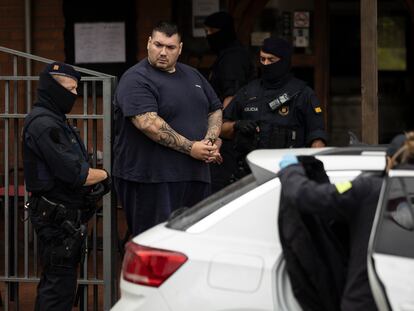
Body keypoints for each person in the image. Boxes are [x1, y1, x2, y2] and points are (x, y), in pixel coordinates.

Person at [277, 132, 414, 311]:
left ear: (389, 161)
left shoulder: (371, 190)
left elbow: (307, 196)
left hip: (366, 301)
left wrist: (291, 170)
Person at [112, 21, 223, 237]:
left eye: (170, 47)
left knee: (192, 243)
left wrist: (209, 143)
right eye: (158, 45)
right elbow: (148, 123)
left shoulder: (193, 75)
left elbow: (215, 110)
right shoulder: (136, 78)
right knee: (154, 242)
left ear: (180, 49)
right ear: (148, 44)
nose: (163, 52)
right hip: (151, 179)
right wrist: (192, 147)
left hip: (194, 175)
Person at [23, 62, 111, 311]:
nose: (74, 95)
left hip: (63, 216)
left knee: (58, 284)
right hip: (56, 218)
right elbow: (75, 173)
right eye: (70, 89)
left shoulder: (55, 121)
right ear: (53, 88)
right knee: (58, 290)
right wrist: (104, 175)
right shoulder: (44, 124)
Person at [221, 37, 327, 180]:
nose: (265, 64)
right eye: (262, 59)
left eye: (271, 60)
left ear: (284, 61)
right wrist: (237, 126)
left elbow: (317, 139)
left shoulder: (302, 94)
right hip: (250, 175)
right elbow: (219, 128)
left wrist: (315, 175)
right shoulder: (248, 92)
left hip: (290, 174)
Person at [204, 11, 254, 192]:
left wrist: (219, 130)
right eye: (206, 31)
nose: (208, 36)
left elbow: (231, 99)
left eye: (212, 31)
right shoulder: (227, 55)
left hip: (228, 137)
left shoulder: (232, 58)